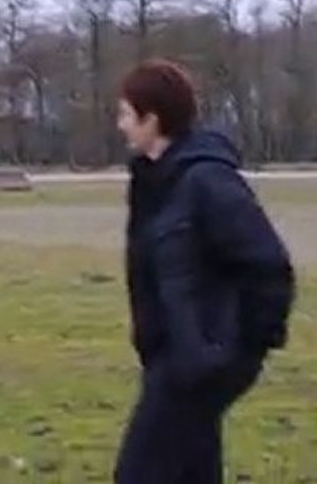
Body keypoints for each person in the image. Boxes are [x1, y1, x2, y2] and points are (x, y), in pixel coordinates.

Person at [113, 58, 295, 483]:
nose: (120, 125)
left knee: (141, 473)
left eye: (125, 114)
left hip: (199, 362)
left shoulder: (208, 182)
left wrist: (237, 347)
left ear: (151, 119)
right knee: (192, 471)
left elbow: (267, 264)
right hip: (174, 355)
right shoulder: (154, 182)